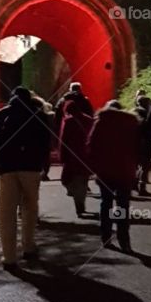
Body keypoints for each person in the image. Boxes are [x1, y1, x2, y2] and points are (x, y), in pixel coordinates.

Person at [0, 86, 53, 270]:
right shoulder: (38, 115)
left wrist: (0, 158)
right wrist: (41, 164)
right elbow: (46, 143)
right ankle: (28, 246)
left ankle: (9, 257)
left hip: (7, 168)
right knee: (29, 208)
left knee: (7, 212)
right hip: (31, 167)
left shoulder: (2, 114)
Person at [88, 99, 139, 252]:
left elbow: (91, 145)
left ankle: (106, 237)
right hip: (125, 170)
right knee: (123, 205)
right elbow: (137, 146)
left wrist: (94, 166)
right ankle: (124, 240)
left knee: (106, 203)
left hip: (105, 170)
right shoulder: (131, 123)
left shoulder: (101, 122)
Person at [55, 81, 95, 217]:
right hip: (84, 150)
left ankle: (76, 196)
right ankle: (80, 202)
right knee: (82, 177)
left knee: (68, 177)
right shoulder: (86, 103)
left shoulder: (64, 104)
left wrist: (61, 152)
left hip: (72, 151)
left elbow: (59, 127)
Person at [134, 91, 151, 197]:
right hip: (144, 144)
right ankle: (142, 187)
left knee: (137, 165)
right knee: (146, 165)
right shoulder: (145, 114)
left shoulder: (133, 113)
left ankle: (135, 183)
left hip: (134, 144)